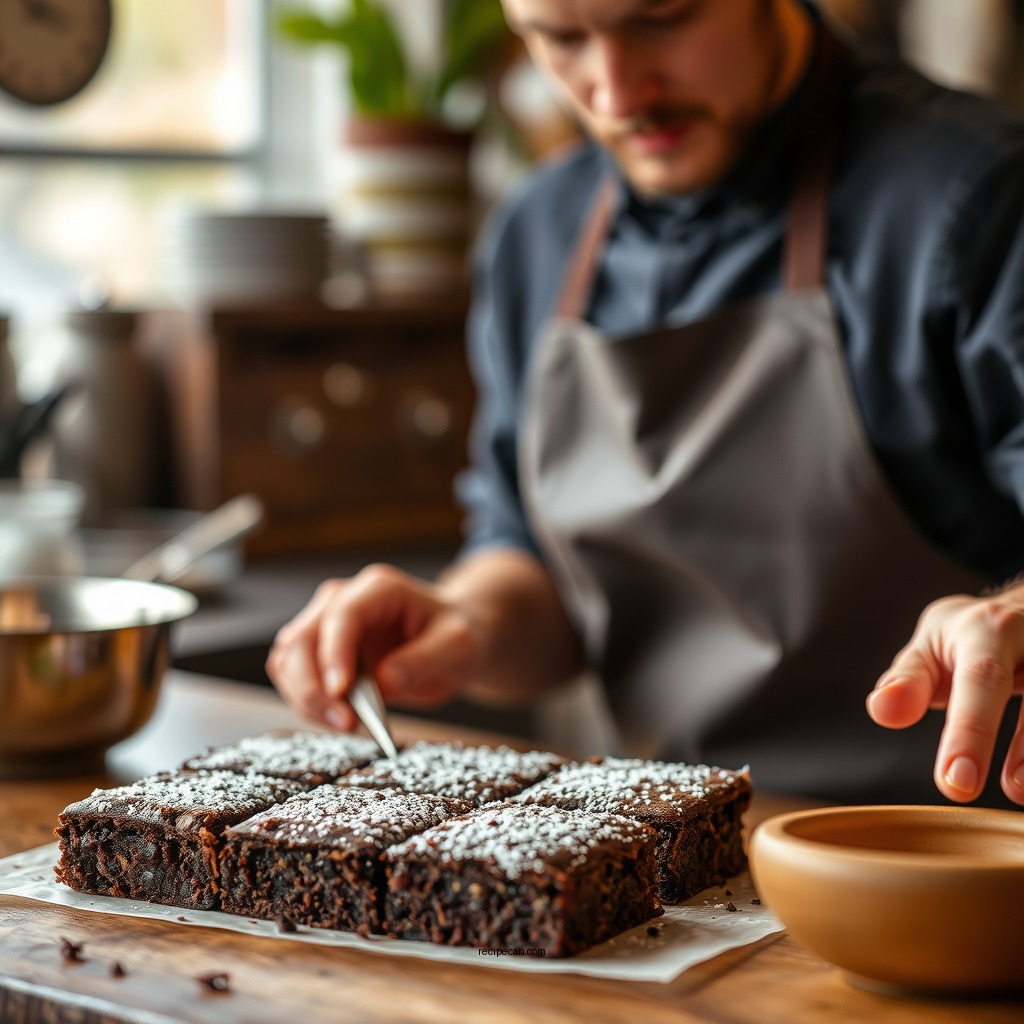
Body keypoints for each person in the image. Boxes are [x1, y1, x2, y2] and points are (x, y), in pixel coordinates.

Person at [268, 0, 1024, 807]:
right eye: (560, 39)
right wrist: (466, 619)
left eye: (663, 17)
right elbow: (539, 569)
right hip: (660, 871)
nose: (617, 93)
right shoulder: (538, 232)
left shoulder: (977, 200)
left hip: (950, 862)